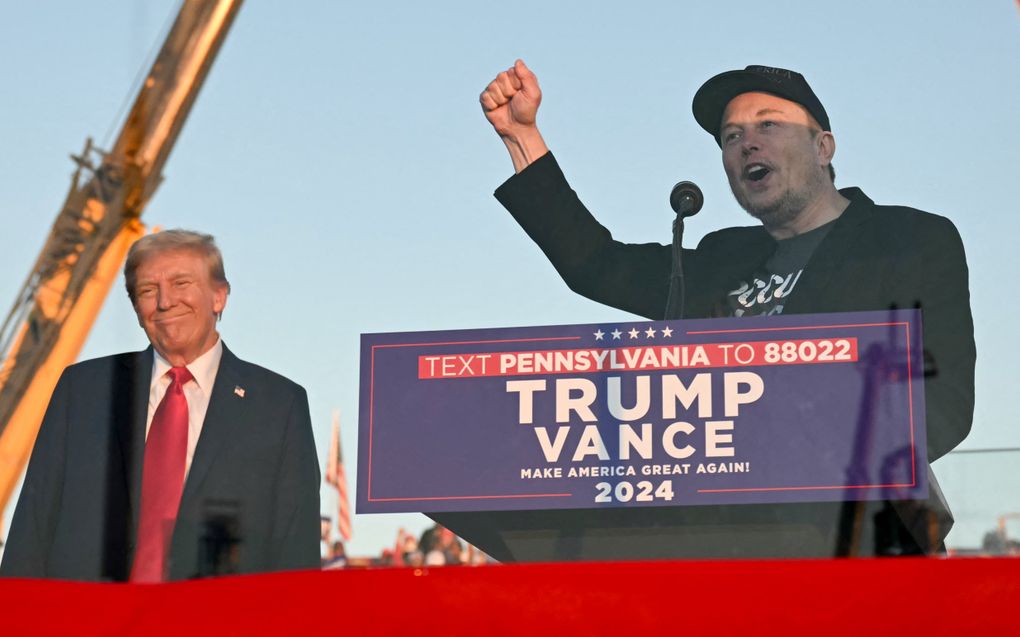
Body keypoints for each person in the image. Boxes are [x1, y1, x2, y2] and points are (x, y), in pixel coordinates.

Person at [480, 61, 975, 554]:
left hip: (862, 542)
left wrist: (812, 457)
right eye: (731, 136)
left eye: (768, 124)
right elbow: (597, 264)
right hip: (727, 546)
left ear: (823, 147)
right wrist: (522, 136)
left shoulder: (908, 240)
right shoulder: (721, 258)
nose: (747, 144)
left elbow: (944, 403)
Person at [0, 229, 320, 581]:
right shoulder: (83, 390)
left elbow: (296, 555)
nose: (165, 301)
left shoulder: (279, 406)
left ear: (219, 296)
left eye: (182, 283)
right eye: (148, 290)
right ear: (137, 307)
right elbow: (32, 529)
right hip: (86, 622)